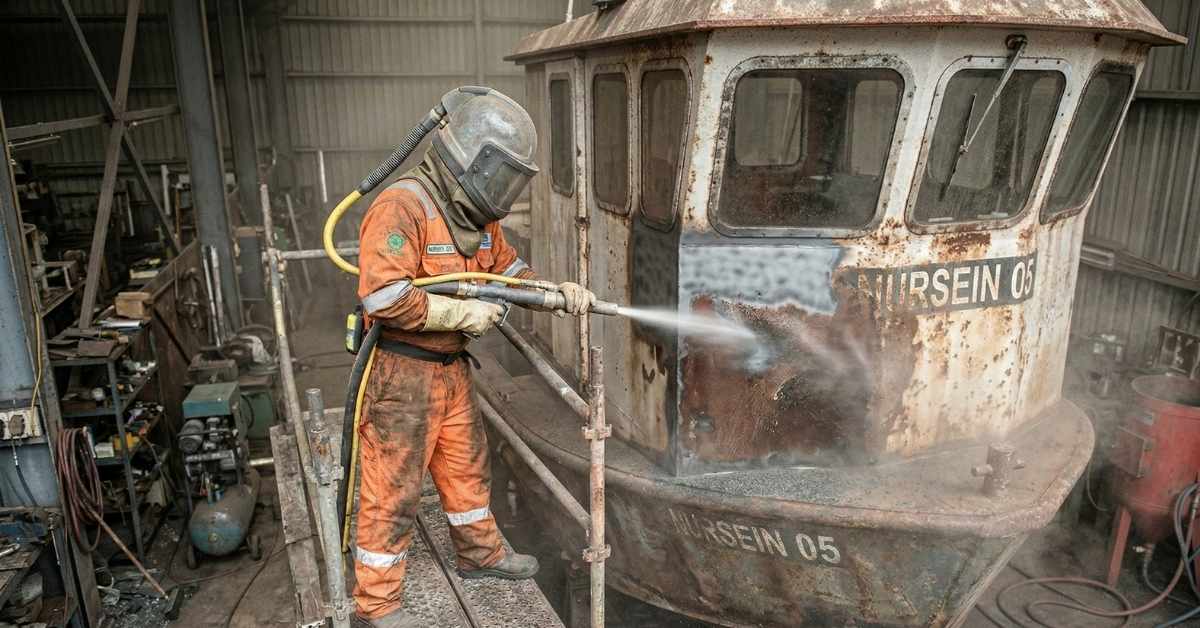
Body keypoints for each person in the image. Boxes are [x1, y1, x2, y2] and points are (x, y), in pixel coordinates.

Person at [351, 90, 595, 627]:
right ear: (471, 161)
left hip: (451, 369)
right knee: (393, 489)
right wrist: (463, 316)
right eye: (501, 178)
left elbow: (507, 273)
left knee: (466, 471)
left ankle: (480, 556)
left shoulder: (480, 217)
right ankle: (375, 607)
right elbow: (383, 298)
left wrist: (555, 293)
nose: (504, 194)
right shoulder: (404, 205)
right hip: (401, 374)